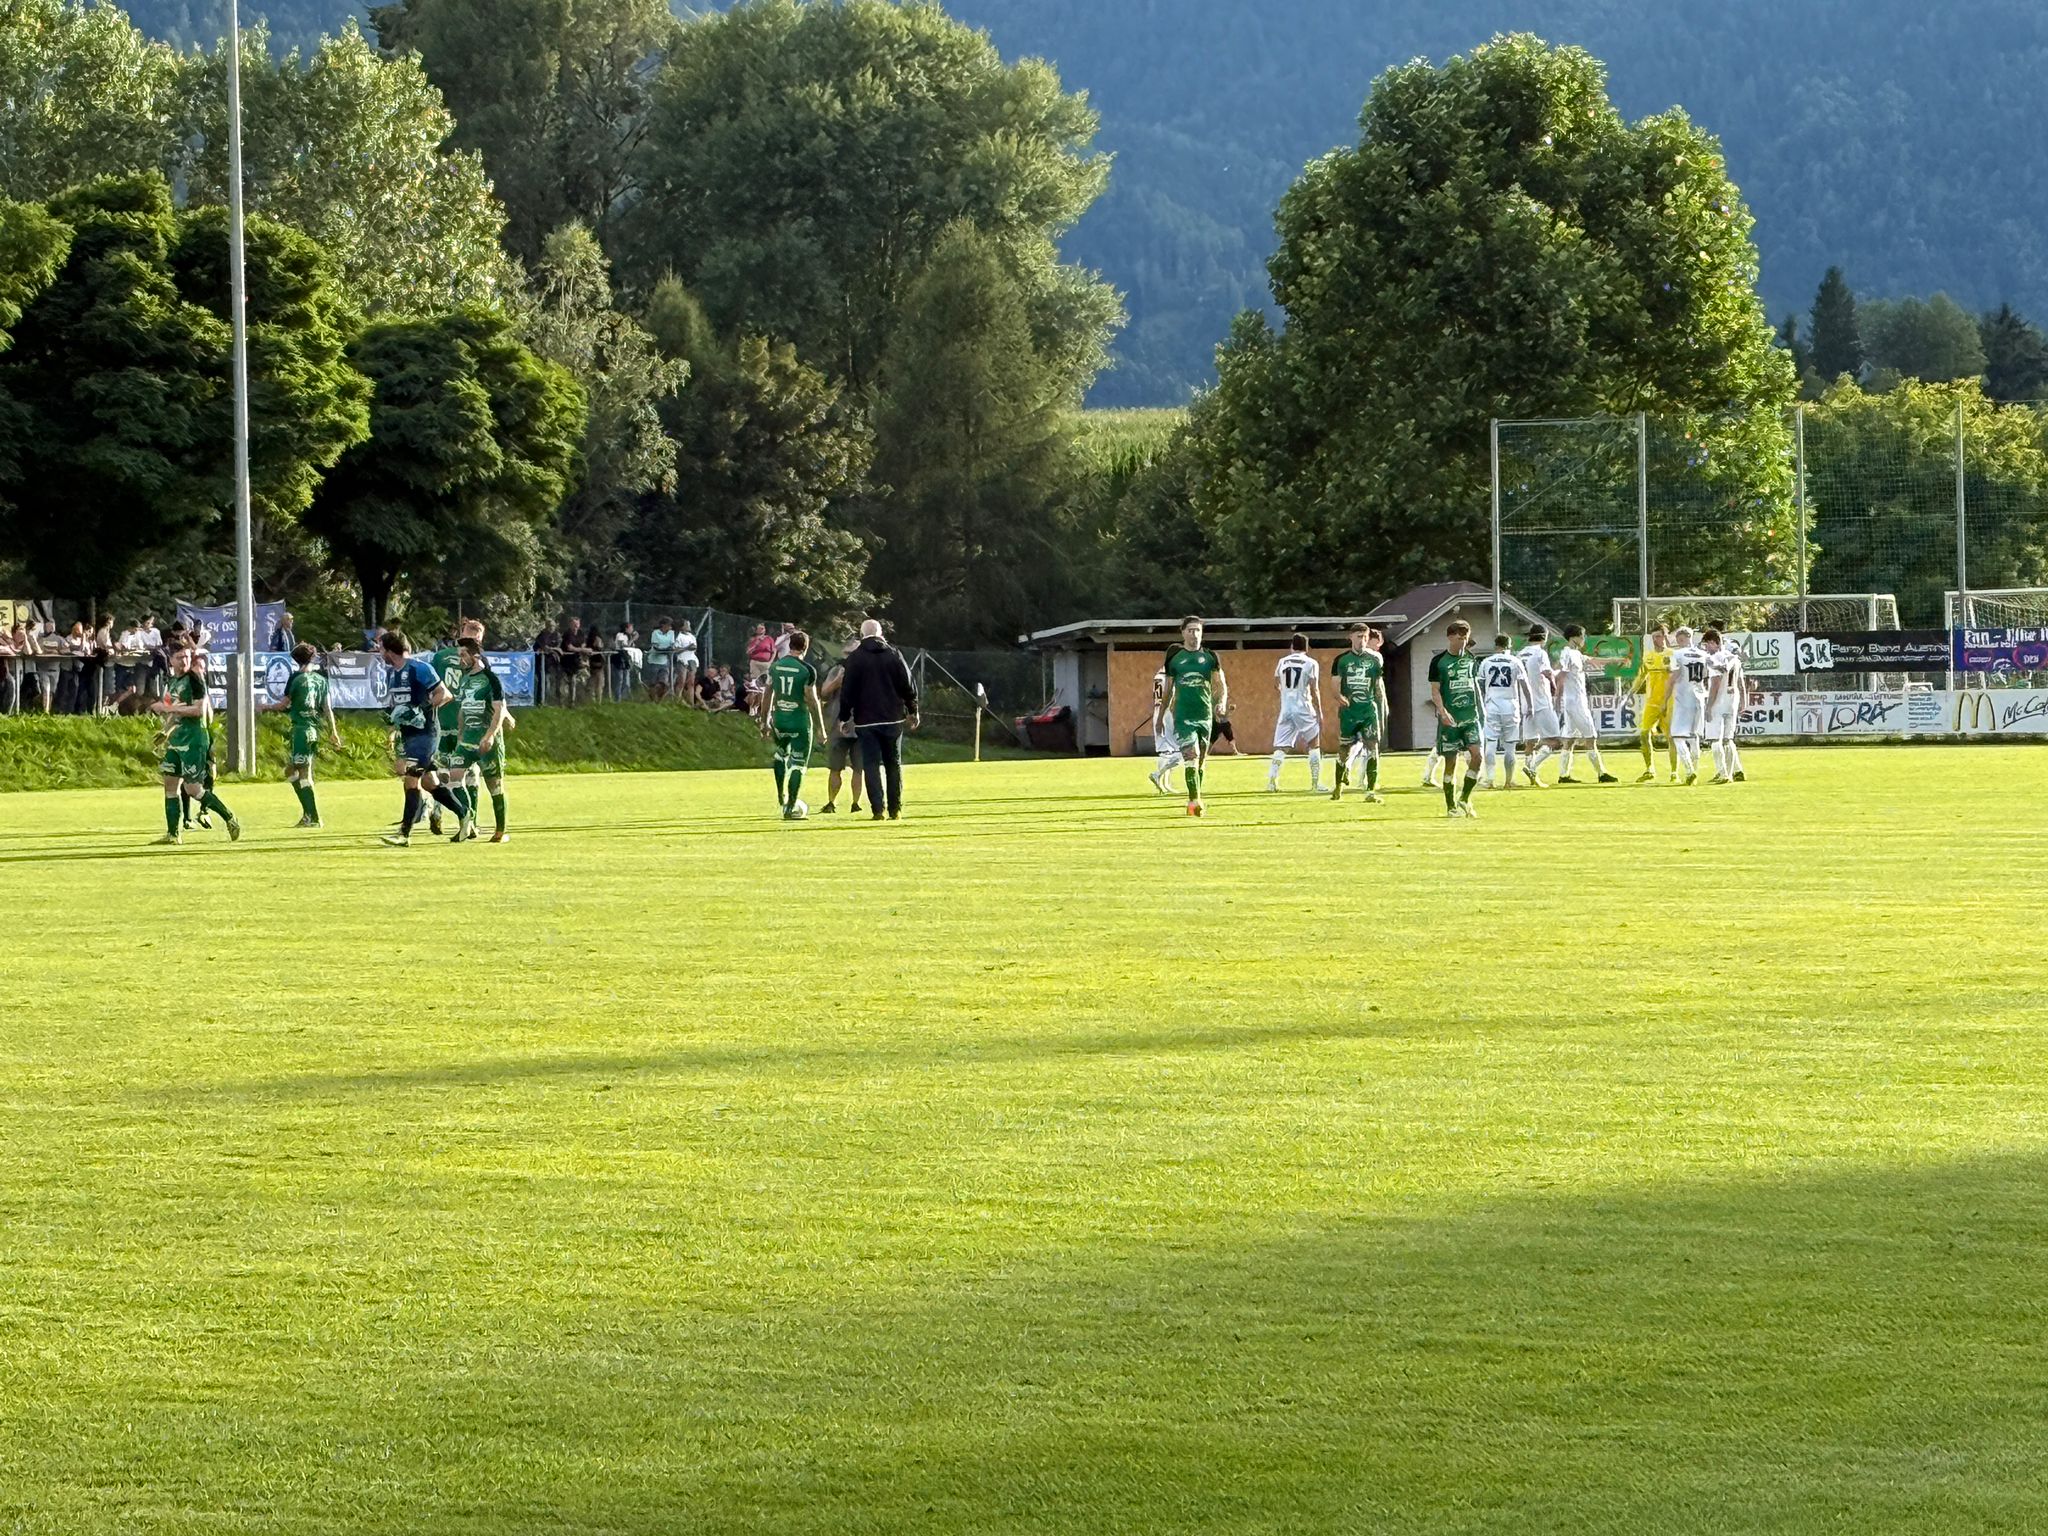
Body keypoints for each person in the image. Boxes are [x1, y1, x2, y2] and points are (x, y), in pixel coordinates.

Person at [376, 630, 463, 847]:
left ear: (389, 649)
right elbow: (398, 707)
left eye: (380, 648)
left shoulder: (419, 668)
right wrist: (392, 726)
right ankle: (465, 815)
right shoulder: (391, 673)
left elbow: (445, 694)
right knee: (429, 783)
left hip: (426, 733)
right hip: (408, 735)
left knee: (410, 780)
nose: (379, 652)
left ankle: (404, 834)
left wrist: (420, 709)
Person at [150, 644, 241, 844]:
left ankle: (229, 818)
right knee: (170, 785)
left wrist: (168, 709)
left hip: (194, 740)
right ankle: (173, 835)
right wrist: (166, 731)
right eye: (180, 657)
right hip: (176, 741)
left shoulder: (195, 679)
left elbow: (198, 711)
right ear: (171, 660)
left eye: (187, 656)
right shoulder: (172, 682)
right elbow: (174, 711)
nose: (184, 661)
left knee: (193, 789)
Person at [837, 618, 919, 821]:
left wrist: (844, 716)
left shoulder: (855, 658)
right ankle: (895, 809)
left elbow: (848, 690)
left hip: (866, 720)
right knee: (894, 764)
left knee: (871, 765)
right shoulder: (893, 654)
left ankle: (878, 810)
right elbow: (907, 684)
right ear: (881, 633)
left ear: (862, 634)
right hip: (892, 718)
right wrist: (912, 709)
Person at [264, 643, 342, 827]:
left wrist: (263, 706)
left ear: (295, 660)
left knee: (304, 774)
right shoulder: (322, 680)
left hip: (301, 730)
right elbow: (328, 708)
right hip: (313, 731)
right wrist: (334, 732)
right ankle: (308, 814)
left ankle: (314, 818)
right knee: (291, 771)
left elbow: (283, 705)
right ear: (313, 657)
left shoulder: (296, 678)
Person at [448, 636, 513, 842]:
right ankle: (468, 821)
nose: (460, 659)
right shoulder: (465, 679)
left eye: (463, 655)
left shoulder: (491, 679)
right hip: (467, 740)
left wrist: (490, 736)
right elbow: (462, 709)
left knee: (494, 785)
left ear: (474, 655)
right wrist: (459, 735)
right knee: (454, 777)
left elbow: (499, 709)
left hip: (486, 740)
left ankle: (500, 832)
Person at [1163, 615, 1227, 816]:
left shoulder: (1210, 657)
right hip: (1183, 716)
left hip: (1204, 715)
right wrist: (1160, 716)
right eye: (1190, 630)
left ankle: (1195, 797)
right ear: (1182, 632)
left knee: (1200, 762)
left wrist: (1221, 703)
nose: (1194, 634)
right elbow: (1168, 689)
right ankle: (1194, 801)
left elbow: (1220, 684)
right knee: (1191, 756)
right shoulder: (1175, 657)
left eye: (1197, 630)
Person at [763, 630, 827, 820]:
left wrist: (764, 720)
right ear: (805, 648)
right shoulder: (807, 670)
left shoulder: (775, 667)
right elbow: (812, 699)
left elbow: (767, 694)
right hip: (799, 720)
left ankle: (780, 796)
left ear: (790, 645)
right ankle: (790, 808)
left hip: (780, 719)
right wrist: (820, 728)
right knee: (798, 764)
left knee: (780, 754)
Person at [1429, 620, 1485, 818]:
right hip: (1450, 719)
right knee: (1450, 762)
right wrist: (1443, 712)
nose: (1462, 641)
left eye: (1465, 637)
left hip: (1470, 717)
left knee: (1478, 757)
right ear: (1450, 637)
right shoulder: (1439, 661)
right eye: (1459, 637)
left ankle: (1465, 797)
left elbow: (1474, 686)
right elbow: (1435, 691)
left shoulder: (1471, 659)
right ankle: (1450, 805)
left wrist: (1481, 710)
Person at [1329, 623, 1388, 803]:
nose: (1361, 641)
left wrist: (1383, 706)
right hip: (1349, 712)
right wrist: (1339, 696)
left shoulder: (1375, 660)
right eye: (1358, 637)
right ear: (1350, 637)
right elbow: (1334, 685)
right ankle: (1338, 786)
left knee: (1373, 747)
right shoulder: (1341, 660)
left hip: (1369, 710)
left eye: (1364, 637)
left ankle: (1370, 791)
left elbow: (1378, 686)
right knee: (1344, 749)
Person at [1555, 626, 1619, 784]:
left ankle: (1563, 776)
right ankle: (1601, 773)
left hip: (1574, 701)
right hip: (1576, 702)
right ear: (1573, 638)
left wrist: (1616, 660)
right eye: (1582, 637)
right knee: (1591, 737)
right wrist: (1557, 696)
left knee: (1569, 740)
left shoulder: (1576, 654)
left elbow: (1592, 660)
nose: (1584, 640)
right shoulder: (1567, 653)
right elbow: (1560, 672)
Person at [1266, 633, 1325, 792]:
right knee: (1314, 745)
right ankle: (1316, 783)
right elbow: (1315, 689)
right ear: (1306, 647)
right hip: (1303, 707)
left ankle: (1272, 781)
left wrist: (1285, 693)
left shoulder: (1282, 662)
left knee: (1281, 747)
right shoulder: (1311, 663)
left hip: (1286, 708)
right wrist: (1319, 711)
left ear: (1292, 646)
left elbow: (1276, 684)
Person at [1477, 634, 1533, 791]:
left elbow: (1480, 686)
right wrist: (1530, 705)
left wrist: (1481, 703)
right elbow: (1525, 685)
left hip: (1491, 706)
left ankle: (1490, 779)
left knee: (1490, 743)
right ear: (1509, 646)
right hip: (1510, 706)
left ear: (1496, 646)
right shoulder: (1515, 661)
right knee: (1510, 746)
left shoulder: (1486, 662)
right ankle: (1509, 780)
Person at [818, 639, 864, 814]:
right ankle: (831, 802)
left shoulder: (867, 673)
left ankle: (855, 803)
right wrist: (837, 681)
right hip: (837, 726)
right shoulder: (836, 670)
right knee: (835, 767)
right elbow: (823, 693)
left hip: (859, 726)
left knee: (858, 768)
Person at [1516, 625, 1564, 786]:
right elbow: (1547, 672)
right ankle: (1533, 768)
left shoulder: (1520, 654)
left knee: (1530, 741)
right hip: (1542, 702)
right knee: (1555, 741)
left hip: (1526, 704)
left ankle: (1531, 776)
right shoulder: (1540, 653)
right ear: (1544, 637)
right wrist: (1553, 685)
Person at [1666, 626, 1713, 786]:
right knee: (1694, 737)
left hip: (1683, 698)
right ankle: (1695, 771)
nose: (1678, 642)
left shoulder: (1677, 654)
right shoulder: (1703, 655)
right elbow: (1707, 675)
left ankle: (1689, 770)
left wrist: (1665, 700)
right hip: (1700, 698)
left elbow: (1674, 676)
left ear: (1682, 638)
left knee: (1677, 736)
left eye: (1679, 639)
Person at [1631, 623, 1676, 783]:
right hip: (1652, 702)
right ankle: (1649, 769)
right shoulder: (1648, 656)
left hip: (1669, 701)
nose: (1657, 639)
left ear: (1666, 636)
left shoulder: (1672, 654)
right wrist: (1630, 692)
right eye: (1655, 636)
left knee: (1671, 737)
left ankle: (1674, 772)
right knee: (1644, 733)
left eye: (1660, 636)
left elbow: (1677, 678)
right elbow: (1641, 676)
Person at [1708, 635, 1748, 784]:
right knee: (1728, 739)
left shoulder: (1717, 659)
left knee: (1715, 740)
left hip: (1719, 701)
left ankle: (1723, 773)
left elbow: (1715, 685)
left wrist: (1708, 706)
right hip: (1732, 701)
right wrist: (1744, 702)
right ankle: (1734, 772)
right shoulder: (1736, 662)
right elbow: (1741, 683)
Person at [1146, 662, 1183, 794]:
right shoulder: (1168, 677)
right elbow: (1170, 696)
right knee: (1178, 752)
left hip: (1157, 711)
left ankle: (1164, 784)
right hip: (1167, 713)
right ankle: (1158, 775)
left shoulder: (1157, 676)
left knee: (1165, 751)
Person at [647, 617, 676, 701]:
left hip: (664, 661)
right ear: (663, 625)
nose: (670, 627)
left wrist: (670, 649)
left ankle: (659, 700)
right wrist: (665, 650)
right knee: (653, 683)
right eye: (668, 625)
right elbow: (656, 647)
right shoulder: (655, 633)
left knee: (664, 683)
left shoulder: (671, 633)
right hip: (654, 661)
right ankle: (652, 699)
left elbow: (672, 645)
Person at [675, 621, 700, 706]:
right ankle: (678, 700)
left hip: (691, 660)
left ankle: (691, 702)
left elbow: (694, 647)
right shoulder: (678, 636)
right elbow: (677, 650)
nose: (689, 626)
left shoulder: (692, 636)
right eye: (687, 624)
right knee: (681, 681)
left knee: (691, 682)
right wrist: (687, 648)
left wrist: (691, 648)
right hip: (682, 660)